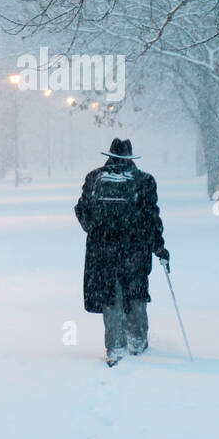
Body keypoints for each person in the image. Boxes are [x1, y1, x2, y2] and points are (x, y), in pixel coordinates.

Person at [74, 137, 170, 367]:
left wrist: (95, 229)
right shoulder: (144, 180)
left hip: (103, 249)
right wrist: (159, 247)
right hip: (135, 248)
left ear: (109, 155)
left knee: (110, 295)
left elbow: (81, 209)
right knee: (135, 292)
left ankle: (115, 346)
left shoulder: (94, 177)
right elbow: (151, 217)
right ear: (130, 157)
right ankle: (137, 340)